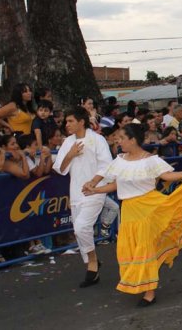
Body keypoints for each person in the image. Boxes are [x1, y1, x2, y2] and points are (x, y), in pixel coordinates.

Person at [82, 123, 182, 306]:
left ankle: (150, 292)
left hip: (149, 208)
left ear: (132, 140)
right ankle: (141, 283)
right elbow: (116, 185)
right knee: (130, 249)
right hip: (129, 211)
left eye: (122, 138)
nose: (119, 141)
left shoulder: (151, 160)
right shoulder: (119, 160)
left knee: (144, 249)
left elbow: (166, 176)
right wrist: (96, 190)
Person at [54, 106, 113, 288]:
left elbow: (106, 165)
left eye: (70, 121)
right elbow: (60, 168)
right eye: (66, 121)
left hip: (95, 191)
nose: (67, 124)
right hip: (76, 192)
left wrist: (94, 183)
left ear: (81, 122)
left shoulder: (97, 139)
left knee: (81, 227)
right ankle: (92, 266)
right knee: (80, 232)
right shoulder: (67, 142)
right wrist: (70, 155)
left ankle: (92, 263)